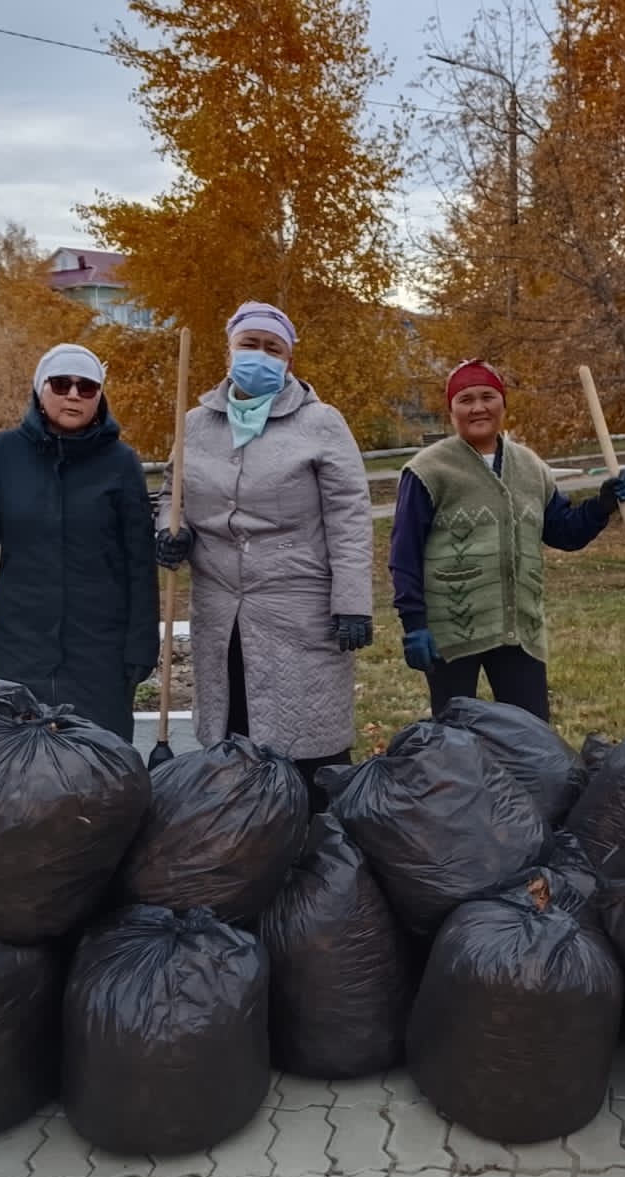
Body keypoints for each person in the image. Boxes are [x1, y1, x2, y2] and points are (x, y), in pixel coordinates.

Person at [154, 301, 373, 810]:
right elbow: (172, 493)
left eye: (272, 348)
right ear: (229, 353)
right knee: (235, 734)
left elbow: (349, 516)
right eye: (249, 345)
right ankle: (242, 847)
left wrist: (354, 603)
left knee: (308, 742)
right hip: (220, 611)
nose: (260, 355)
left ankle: (317, 853)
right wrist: (169, 530)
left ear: (288, 361)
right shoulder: (196, 424)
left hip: (300, 609)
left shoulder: (320, 423)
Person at [0, 344, 158, 742]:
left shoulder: (120, 462)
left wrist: (143, 641)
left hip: (99, 642)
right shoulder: (5, 452)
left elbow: (140, 561)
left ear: (100, 396)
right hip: (23, 637)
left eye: (87, 387)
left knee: (100, 754)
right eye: (61, 384)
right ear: (40, 390)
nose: (74, 394)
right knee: (26, 754)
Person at [387, 358, 625, 721]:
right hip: (451, 632)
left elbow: (563, 532)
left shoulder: (531, 467)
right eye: (465, 399)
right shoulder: (428, 471)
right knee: (454, 739)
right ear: (450, 410)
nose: (478, 407)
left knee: (530, 736)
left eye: (488, 396)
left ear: (503, 403)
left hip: (520, 630)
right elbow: (404, 553)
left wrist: (602, 505)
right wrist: (415, 625)